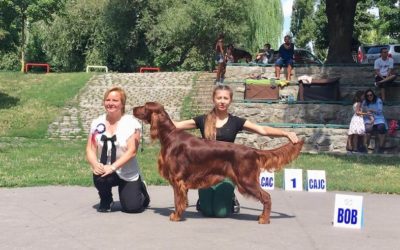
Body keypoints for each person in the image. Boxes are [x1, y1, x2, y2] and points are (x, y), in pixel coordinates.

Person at [173, 85, 299, 217]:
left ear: (230, 100)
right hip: (205, 175)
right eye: (219, 98)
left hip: (228, 173)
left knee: (220, 213)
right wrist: (156, 114)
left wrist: (285, 133)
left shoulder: (236, 122)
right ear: (213, 99)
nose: (222, 101)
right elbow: (176, 125)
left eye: (225, 98)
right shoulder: (202, 120)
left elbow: (262, 130)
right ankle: (204, 200)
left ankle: (232, 197)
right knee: (208, 211)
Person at [86, 86, 150, 213]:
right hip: (106, 169)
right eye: (107, 100)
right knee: (98, 174)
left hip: (126, 171)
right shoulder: (97, 123)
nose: (110, 103)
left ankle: (141, 190)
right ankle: (106, 199)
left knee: (132, 208)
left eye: (115, 100)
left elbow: (132, 152)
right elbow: (90, 148)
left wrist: (113, 167)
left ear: (122, 104)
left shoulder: (131, 123)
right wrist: (95, 163)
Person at [362, 89, 387, 154]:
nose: (369, 96)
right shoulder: (364, 102)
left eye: (371, 95)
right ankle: (365, 146)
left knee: (381, 128)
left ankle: (381, 147)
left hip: (378, 118)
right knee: (368, 129)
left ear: (373, 95)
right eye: (367, 96)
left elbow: (379, 111)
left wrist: (371, 110)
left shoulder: (378, 100)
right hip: (368, 118)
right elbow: (364, 111)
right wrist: (371, 117)